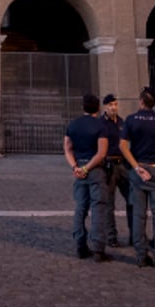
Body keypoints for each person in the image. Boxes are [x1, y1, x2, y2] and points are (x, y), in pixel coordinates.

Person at [119, 87, 155, 268]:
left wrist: (136, 167)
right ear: (154, 103)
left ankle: (141, 255)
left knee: (139, 214)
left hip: (138, 169)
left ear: (141, 101)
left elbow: (123, 146)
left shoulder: (131, 120)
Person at [63, 93, 111, 262]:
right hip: (95, 170)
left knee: (80, 208)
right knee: (98, 209)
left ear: (83, 107)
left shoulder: (73, 125)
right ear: (98, 108)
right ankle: (98, 249)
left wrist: (75, 167)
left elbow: (67, 148)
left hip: (79, 171)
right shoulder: (101, 126)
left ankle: (80, 246)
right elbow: (101, 153)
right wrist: (86, 167)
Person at [99, 93, 131, 249]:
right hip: (109, 165)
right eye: (111, 105)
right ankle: (111, 237)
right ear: (105, 106)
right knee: (109, 204)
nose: (114, 107)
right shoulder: (101, 123)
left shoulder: (122, 122)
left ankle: (135, 234)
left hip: (123, 164)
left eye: (116, 104)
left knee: (132, 199)